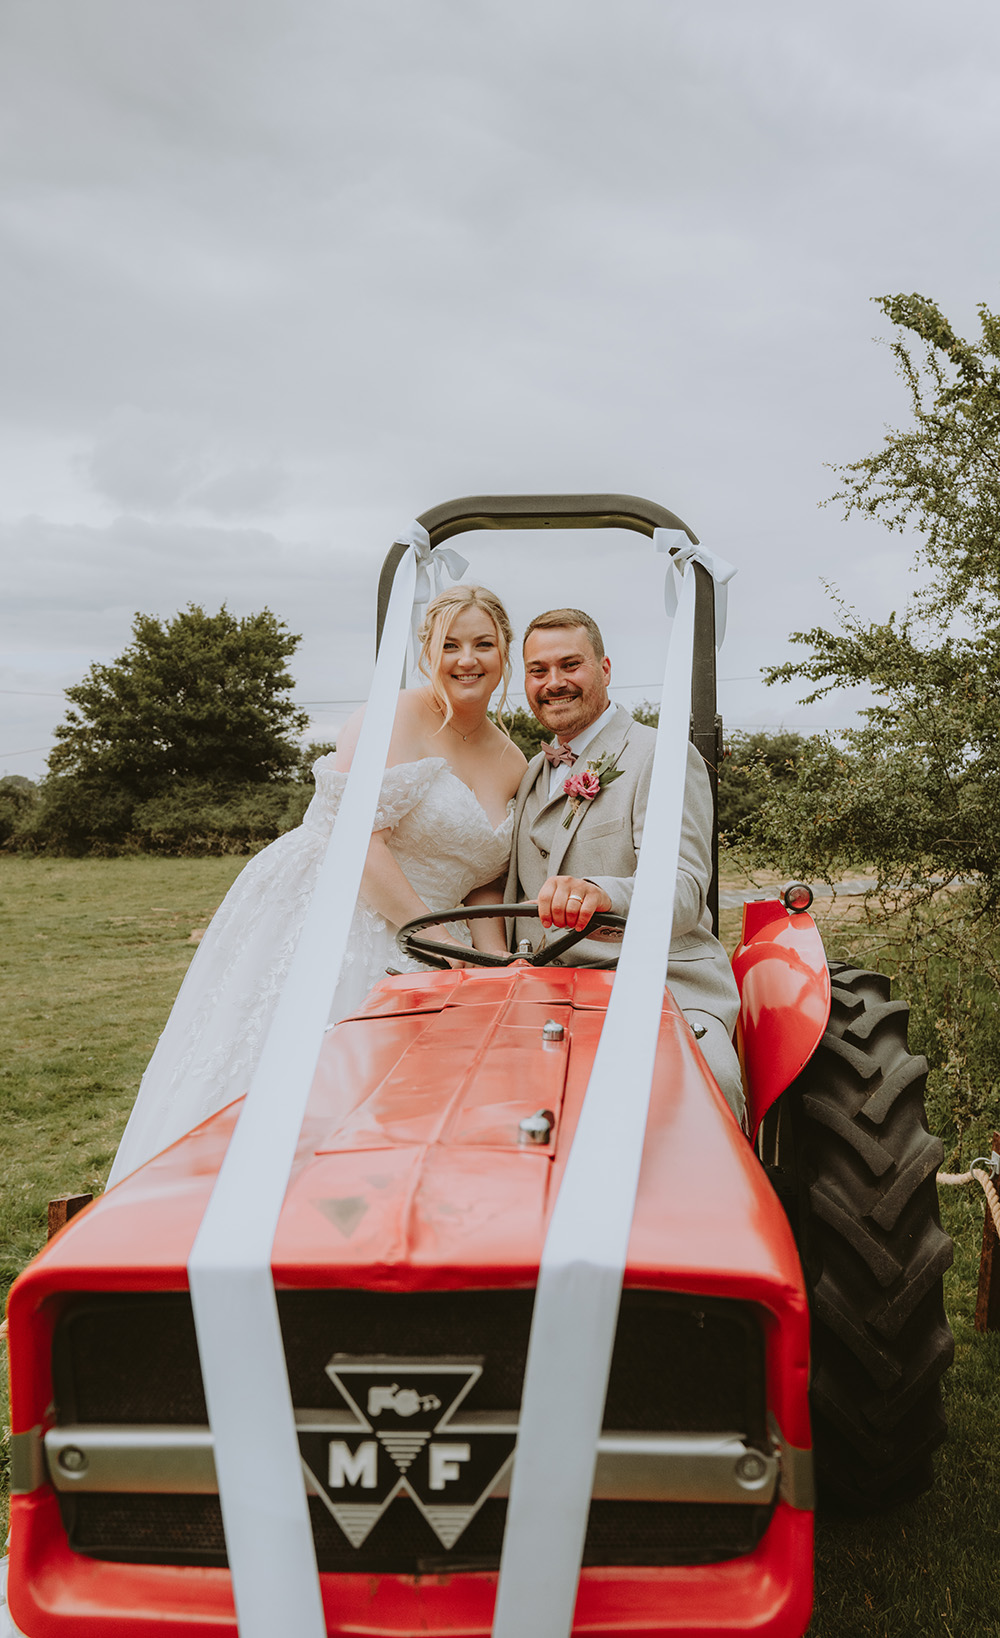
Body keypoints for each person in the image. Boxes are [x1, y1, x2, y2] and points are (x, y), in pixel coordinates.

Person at [106, 585, 526, 1186]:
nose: (467, 659)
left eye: (483, 644)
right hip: (342, 910)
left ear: (504, 652)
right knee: (305, 1085)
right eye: (450, 644)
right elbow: (355, 840)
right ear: (424, 650)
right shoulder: (392, 716)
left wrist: (492, 964)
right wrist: (432, 944)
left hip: (441, 937)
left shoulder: (514, 759)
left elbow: (483, 882)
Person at [499, 606, 745, 1123]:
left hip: (659, 980)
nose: (555, 682)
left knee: (706, 1083)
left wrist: (601, 891)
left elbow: (683, 889)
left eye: (571, 665)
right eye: (538, 670)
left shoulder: (661, 756)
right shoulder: (529, 773)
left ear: (605, 669)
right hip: (541, 988)